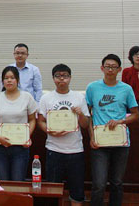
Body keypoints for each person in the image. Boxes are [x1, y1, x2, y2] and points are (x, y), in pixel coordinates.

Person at [86, 53, 139, 206]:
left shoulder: (126, 89)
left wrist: (121, 121)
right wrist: (91, 137)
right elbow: (87, 115)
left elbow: (136, 115)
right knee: (99, 184)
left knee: (117, 182)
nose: (110, 70)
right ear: (102, 68)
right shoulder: (92, 88)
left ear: (119, 69)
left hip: (120, 143)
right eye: (107, 67)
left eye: (114, 67)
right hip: (100, 144)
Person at [37, 64, 89, 206]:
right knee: (53, 192)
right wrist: (49, 130)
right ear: (53, 78)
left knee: (77, 192)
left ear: (70, 78)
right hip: (54, 150)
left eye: (65, 76)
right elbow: (40, 121)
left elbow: (85, 124)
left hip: (75, 150)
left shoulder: (79, 97)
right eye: (58, 76)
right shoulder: (46, 98)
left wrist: (80, 114)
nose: (61, 79)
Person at [0, 66, 38, 181]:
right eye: (6, 78)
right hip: (0, 146)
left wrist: (27, 136)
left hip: (20, 147)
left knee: (17, 181)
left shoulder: (27, 97)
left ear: (18, 80)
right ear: (2, 81)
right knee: (3, 181)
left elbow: (32, 119)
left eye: (12, 78)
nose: (9, 80)